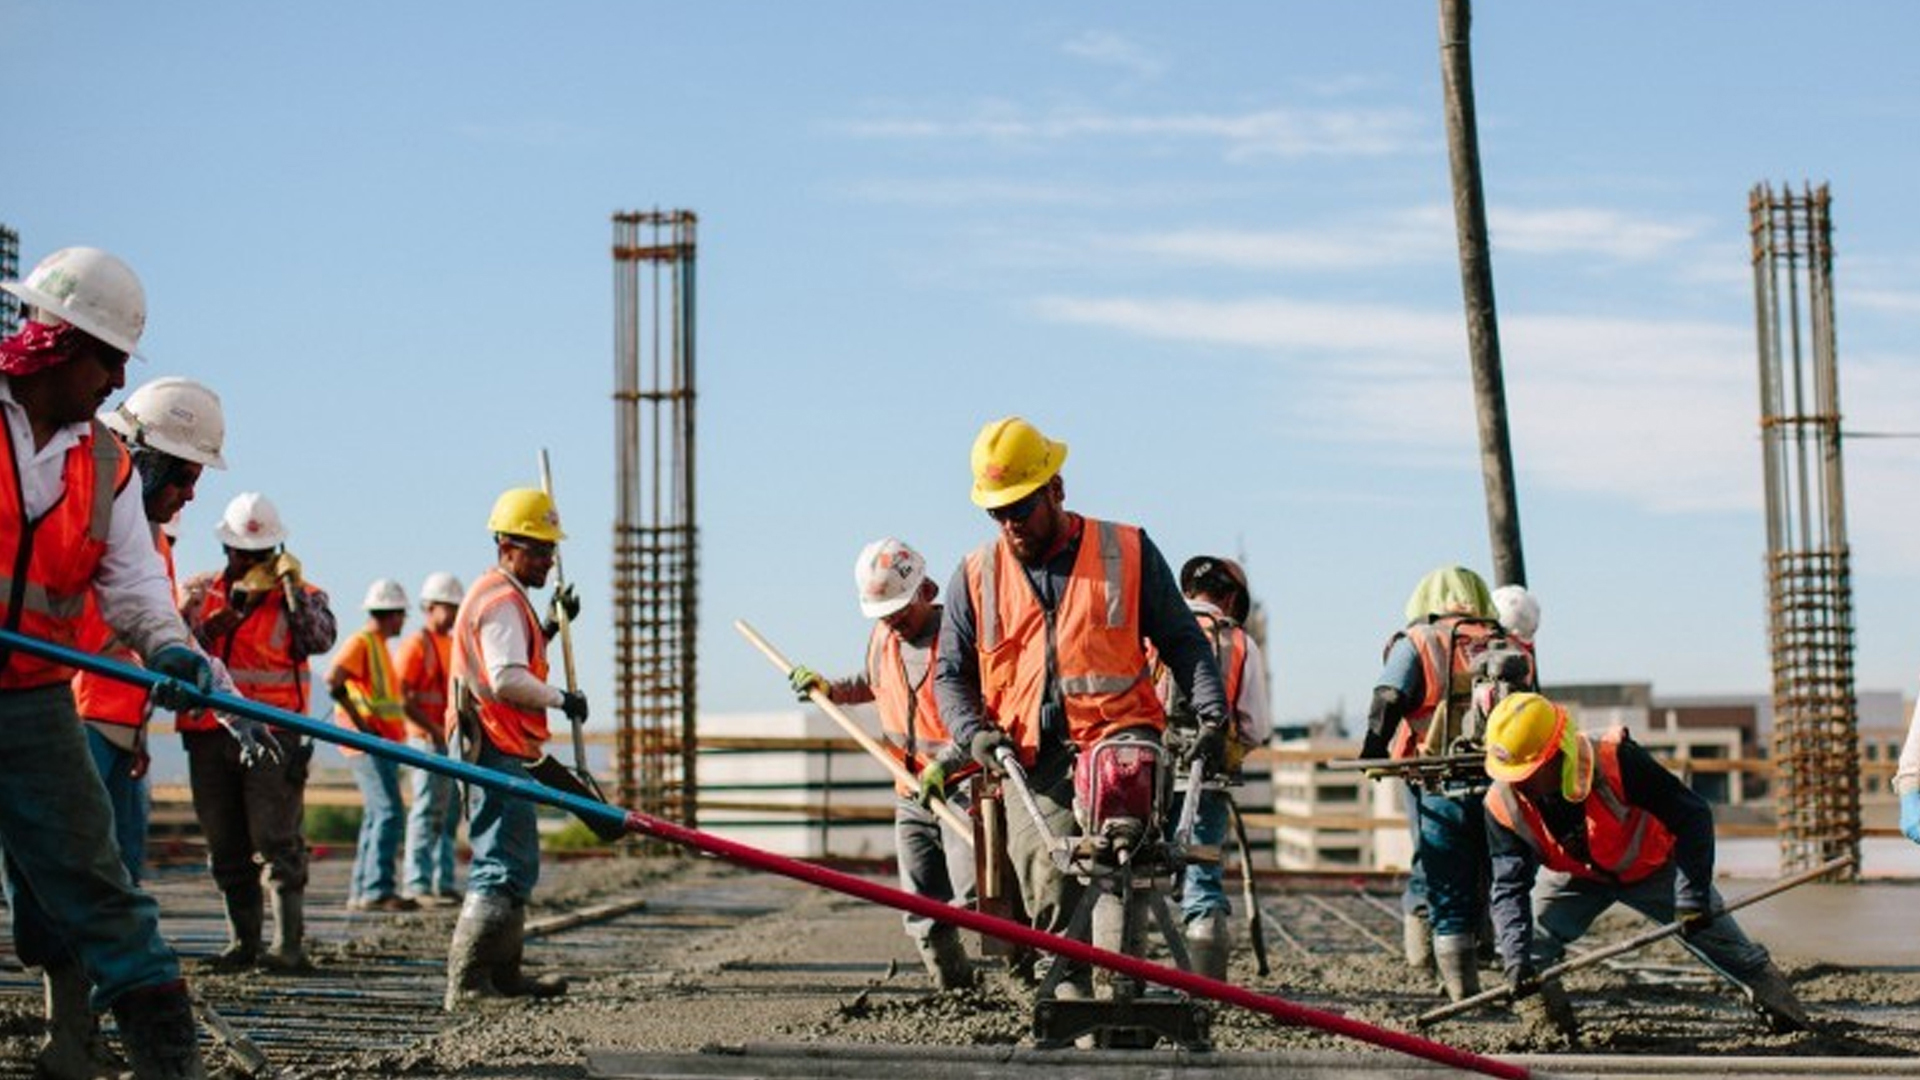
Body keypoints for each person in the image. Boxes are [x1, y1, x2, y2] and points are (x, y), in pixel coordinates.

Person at [0, 246, 220, 1078]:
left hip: (33, 699)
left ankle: (160, 1058)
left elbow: (132, 583)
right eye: (107, 358)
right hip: (62, 702)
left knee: (98, 884)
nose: (119, 380)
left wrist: (170, 647)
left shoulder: (105, 464)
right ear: (56, 343)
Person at [934, 416, 1228, 998]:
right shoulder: (976, 575)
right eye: (998, 512)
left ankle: (1127, 993)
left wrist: (1211, 713)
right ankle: (1069, 1000)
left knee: (1125, 865)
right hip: (1028, 758)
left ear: (1056, 489)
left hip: (1121, 740)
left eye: (1020, 507)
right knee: (1049, 880)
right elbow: (950, 674)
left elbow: (1183, 641)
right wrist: (973, 734)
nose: (1010, 523)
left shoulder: (1126, 551)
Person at [1481, 692, 1810, 1039]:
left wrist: (1692, 895)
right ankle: (1549, 1030)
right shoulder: (1503, 804)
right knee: (1529, 952)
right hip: (1578, 877)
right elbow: (1509, 887)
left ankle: (1792, 1024)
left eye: (1529, 773)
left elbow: (1692, 816)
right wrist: (1515, 961)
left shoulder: (1615, 760)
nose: (1520, 784)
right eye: (1512, 775)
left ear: (1558, 752)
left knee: (1732, 951)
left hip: (1653, 868)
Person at [789, 538, 977, 990]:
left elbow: (985, 715)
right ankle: (954, 988)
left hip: (962, 786)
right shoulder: (883, 637)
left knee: (979, 897)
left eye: (899, 611)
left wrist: (946, 764)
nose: (893, 622)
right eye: (884, 614)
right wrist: (830, 690)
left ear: (926, 591)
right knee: (922, 905)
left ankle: (1023, 981)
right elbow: (872, 682)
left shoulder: (959, 639)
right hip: (910, 790)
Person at [180, 491, 337, 976]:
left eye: (261, 553)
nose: (251, 562)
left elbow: (319, 640)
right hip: (209, 733)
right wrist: (214, 625)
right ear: (227, 549)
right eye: (243, 553)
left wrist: (291, 590)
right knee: (225, 843)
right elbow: (172, 649)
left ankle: (288, 946)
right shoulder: (201, 592)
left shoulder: (302, 595)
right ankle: (242, 943)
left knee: (276, 838)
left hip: (275, 732)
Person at [1357, 565, 1528, 1002]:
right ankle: (1512, 968)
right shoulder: (1505, 643)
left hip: (1437, 780)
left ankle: (1461, 991)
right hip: (1498, 781)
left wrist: (1373, 749)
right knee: (1498, 876)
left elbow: (1389, 695)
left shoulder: (1418, 640)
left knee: (1446, 883)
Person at [442, 487, 583, 1010]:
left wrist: (549, 625)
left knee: (515, 861)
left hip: (500, 741)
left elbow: (512, 659)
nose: (548, 560)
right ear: (507, 547)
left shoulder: (503, 595)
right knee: (501, 863)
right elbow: (505, 679)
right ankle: (469, 983)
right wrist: (562, 698)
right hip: (493, 742)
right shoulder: (501, 600)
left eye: (551, 549)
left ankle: (504, 976)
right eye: (539, 549)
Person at [1156, 554, 1271, 981]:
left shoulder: (1150, 630)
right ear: (1232, 598)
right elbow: (1255, 726)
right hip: (1206, 778)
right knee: (1201, 880)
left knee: (1127, 877)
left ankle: (1122, 983)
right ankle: (1207, 991)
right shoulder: (1239, 642)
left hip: (1142, 774)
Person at [329, 579, 417, 913]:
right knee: (389, 812)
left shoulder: (377, 645)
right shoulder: (362, 642)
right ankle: (378, 889)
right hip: (367, 741)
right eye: (402, 614)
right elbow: (334, 679)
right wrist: (361, 726)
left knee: (376, 814)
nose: (403, 620)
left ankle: (363, 890)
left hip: (377, 741)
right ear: (391, 614)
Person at [399, 571, 465, 906]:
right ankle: (417, 883)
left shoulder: (452, 645)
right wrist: (434, 730)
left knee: (449, 814)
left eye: (456, 607)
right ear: (430, 607)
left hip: (448, 739)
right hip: (426, 740)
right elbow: (402, 697)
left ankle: (443, 881)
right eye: (447, 606)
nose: (453, 614)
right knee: (426, 812)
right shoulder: (416, 645)